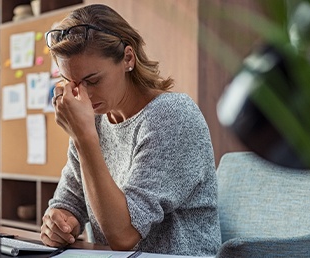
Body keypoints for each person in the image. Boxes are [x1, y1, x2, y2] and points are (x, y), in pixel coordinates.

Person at [41, 4, 221, 256]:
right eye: (72, 83)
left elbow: (123, 235)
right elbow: (69, 201)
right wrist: (58, 221)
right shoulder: (94, 121)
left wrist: (83, 138)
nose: (82, 95)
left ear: (128, 58)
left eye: (93, 81)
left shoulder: (172, 117)